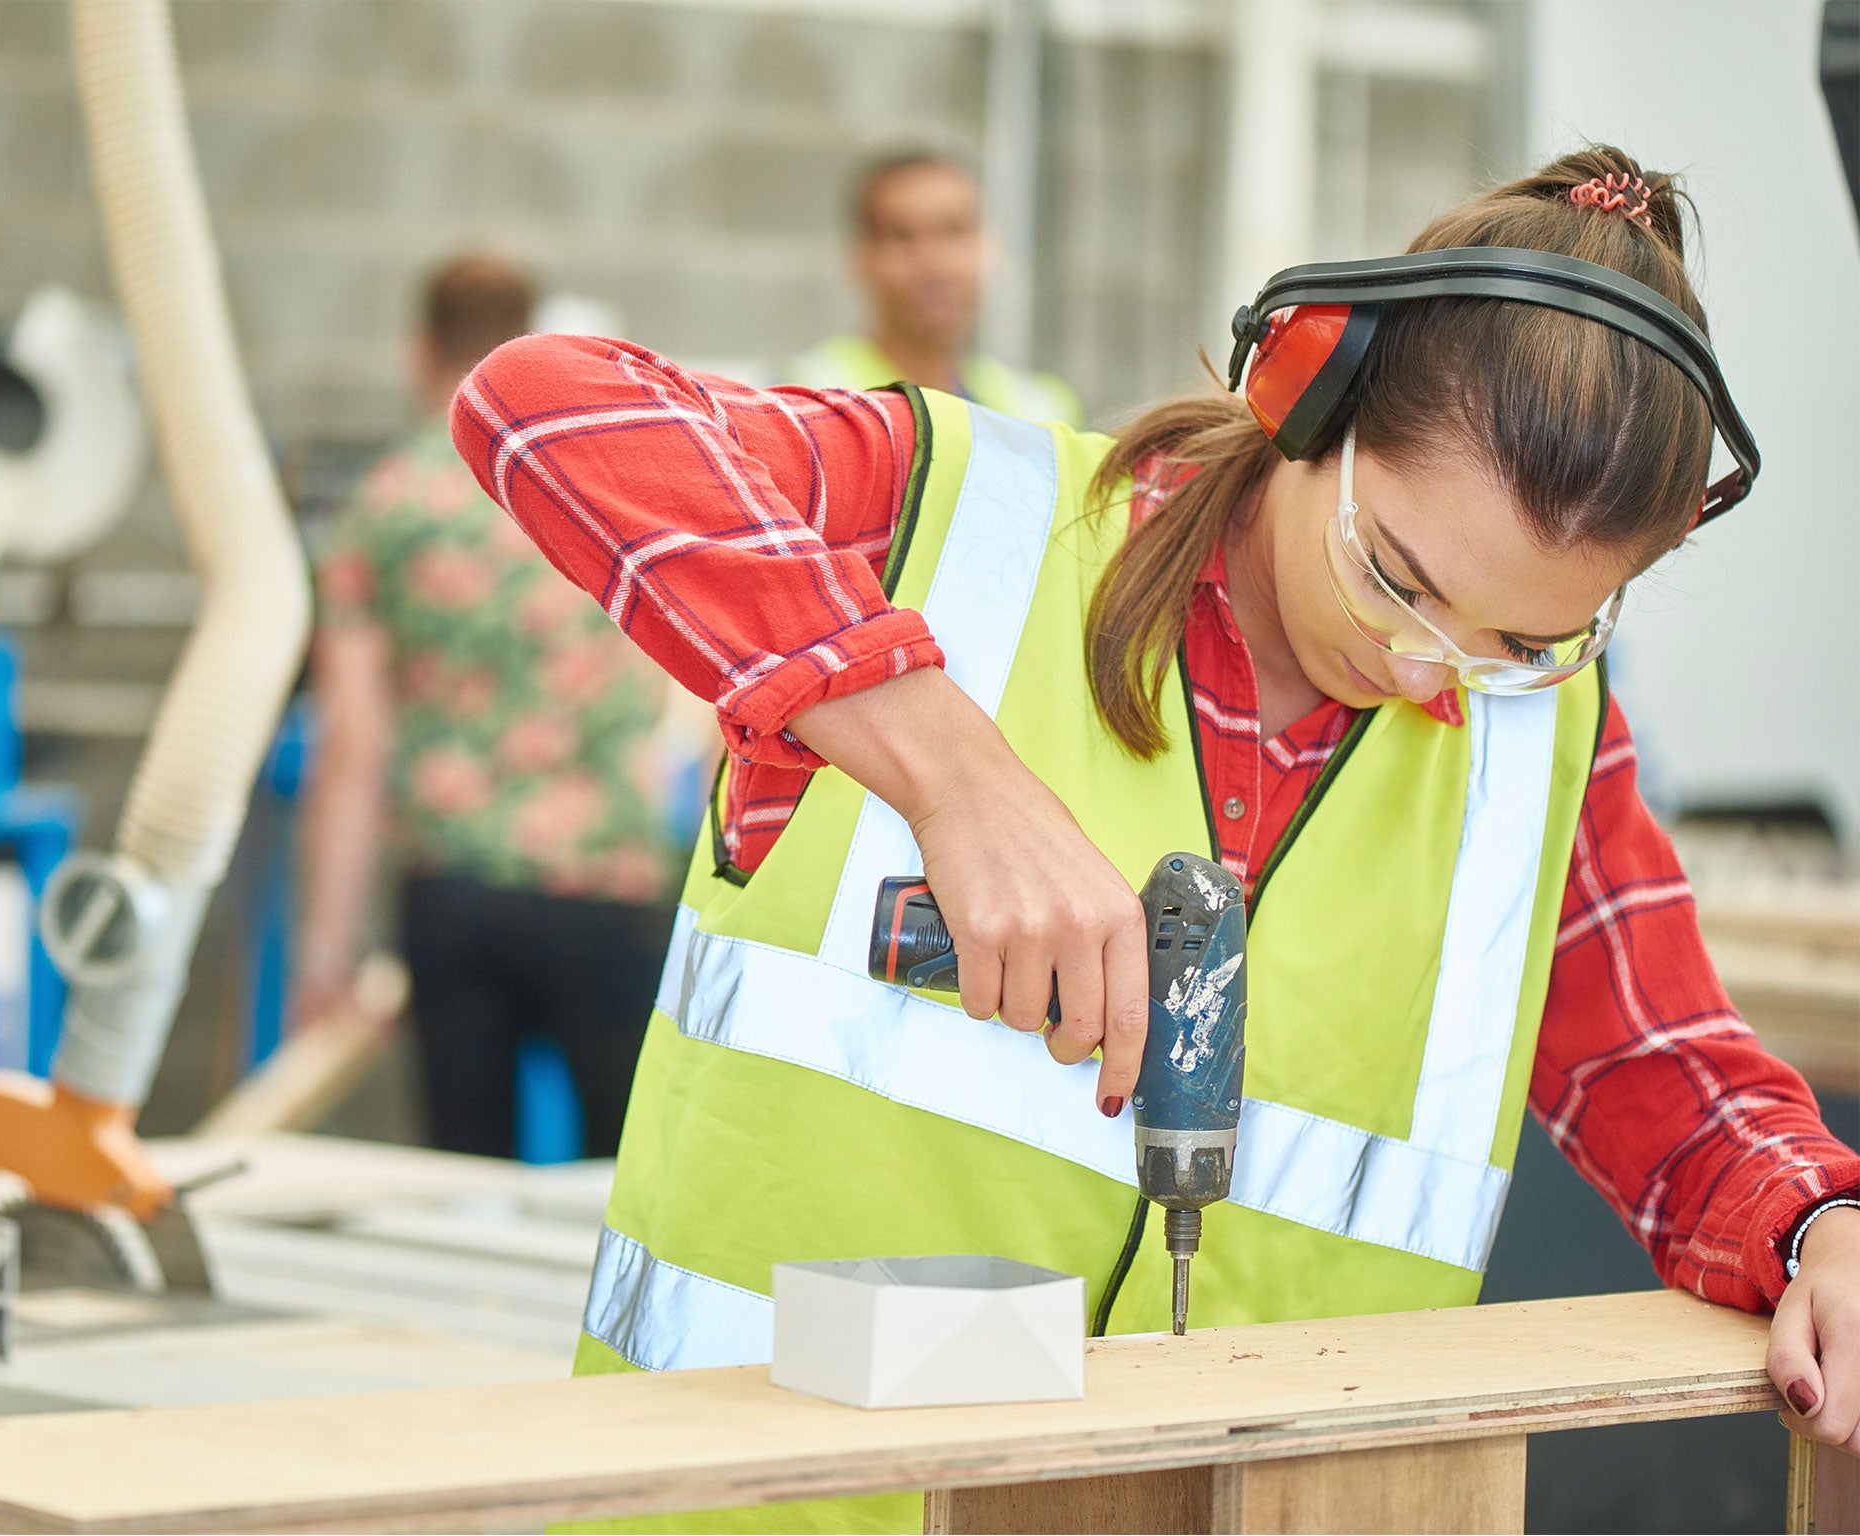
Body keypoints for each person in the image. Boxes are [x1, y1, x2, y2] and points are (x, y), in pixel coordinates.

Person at [451, 149, 1860, 1532]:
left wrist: (1818, 1229)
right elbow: (541, 407)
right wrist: (951, 773)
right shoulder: (953, 523)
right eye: (1399, 578)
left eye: (1524, 639)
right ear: (1310, 393)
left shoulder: (1537, 736)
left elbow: (1659, 1073)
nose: (1434, 671)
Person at [300, 253, 685, 1160]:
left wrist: (326, 955)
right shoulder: (605, 482)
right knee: (623, 1184)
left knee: (465, 1184)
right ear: (528, 344)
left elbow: (352, 746)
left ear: (419, 349)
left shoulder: (388, 503)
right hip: (610, 880)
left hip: (456, 885)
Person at [780, 150, 1083, 425]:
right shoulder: (804, 401)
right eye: (901, 236)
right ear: (860, 258)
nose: (933, 265)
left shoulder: (1040, 410)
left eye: (955, 231)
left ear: (990, 246)